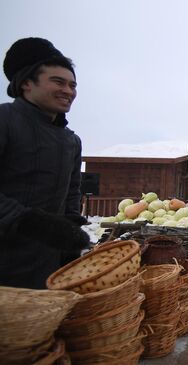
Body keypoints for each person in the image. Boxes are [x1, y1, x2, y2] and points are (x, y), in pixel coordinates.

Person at [0, 37, 90, 289]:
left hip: (46, 267)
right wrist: (31, 222)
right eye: (58, 82)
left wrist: (70, 234)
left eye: (73, 85)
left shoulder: (70, 140)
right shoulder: (5, 121)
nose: (68, 91)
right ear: (26, 83)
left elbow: (72, 192)